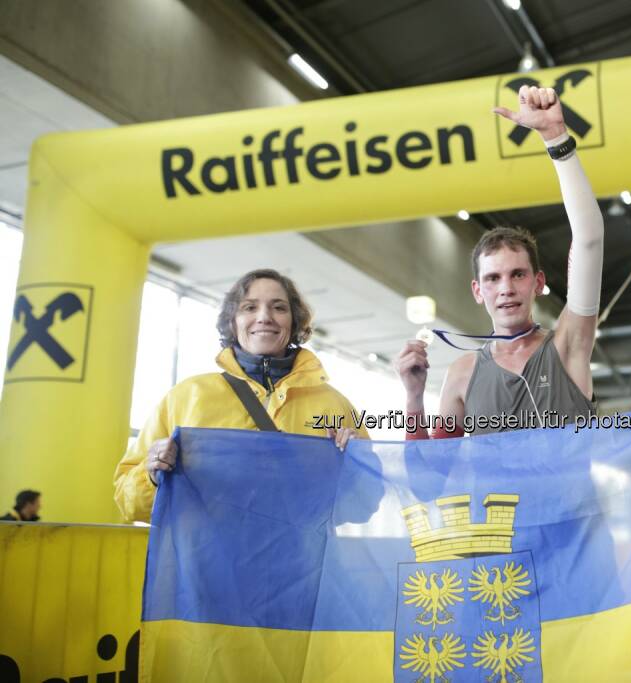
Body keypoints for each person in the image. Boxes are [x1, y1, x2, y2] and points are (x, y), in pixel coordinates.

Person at [395, 85, 603, 437]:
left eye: (517, 274)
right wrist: (414, 399)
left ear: (538, 282)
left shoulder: (570, 345)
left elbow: (590, 238)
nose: (506, 288)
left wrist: (556, 139)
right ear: (478, 290)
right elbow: (429, 476)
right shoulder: (462, 374)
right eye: (493, 279)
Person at [113, 269, 366, 522]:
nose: (264, 317)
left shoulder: (334, 406)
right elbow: (128, 503)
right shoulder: (187, 397)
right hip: (208, 561)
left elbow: (364, 507)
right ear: (233, 321)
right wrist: (152, 475)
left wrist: (355, 468)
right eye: (249, 307)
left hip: (300, 561)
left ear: (295, 321)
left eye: (279, 307)